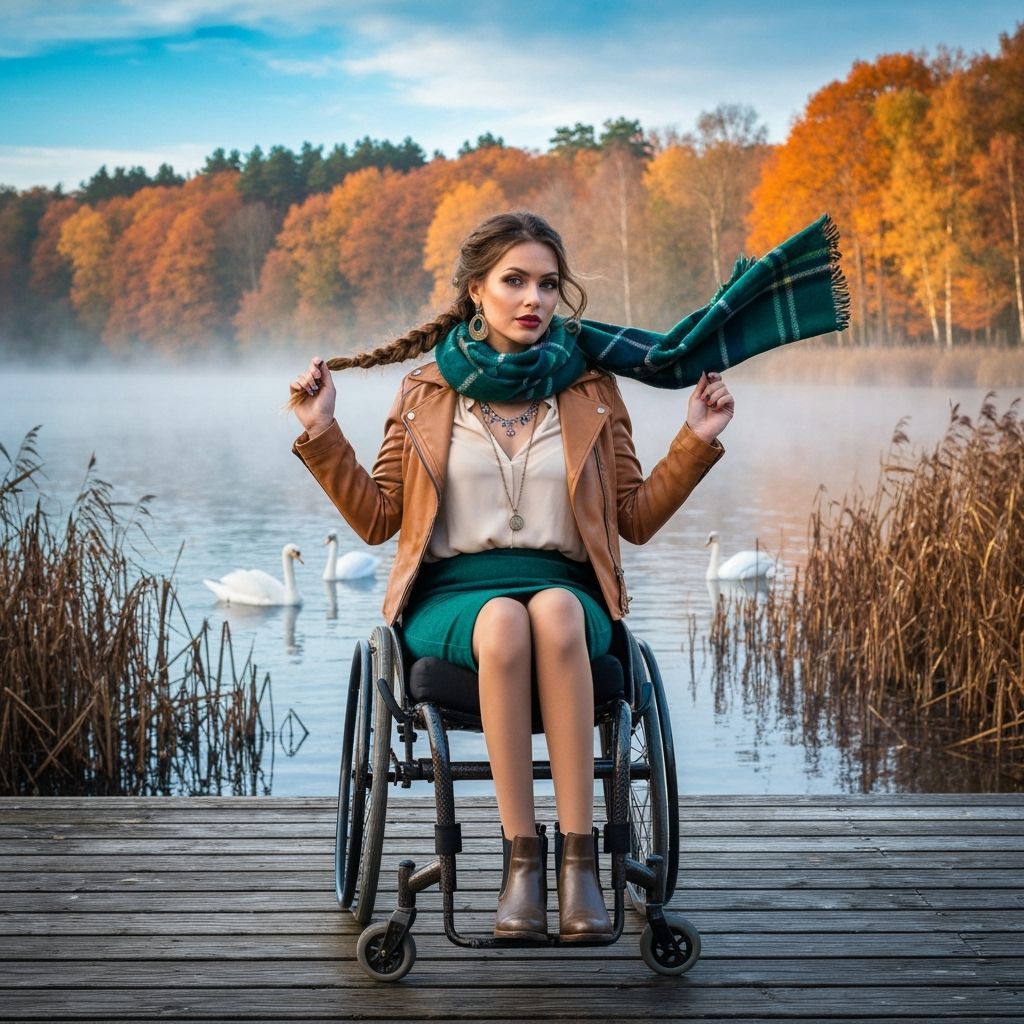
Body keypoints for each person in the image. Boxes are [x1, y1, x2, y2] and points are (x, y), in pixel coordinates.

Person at [289, 209, 844, 943]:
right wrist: (320, 430)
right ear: (476, 293)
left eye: (548, 284)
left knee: (550, 611)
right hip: (452, 597)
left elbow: (633, 518)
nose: (534, 299)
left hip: (566, 589)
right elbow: (378, 519)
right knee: (502, 619)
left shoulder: (589, 389)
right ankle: (524, 860)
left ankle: (577, 862)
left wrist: (695, 440)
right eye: (514, 280)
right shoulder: (425, 392)